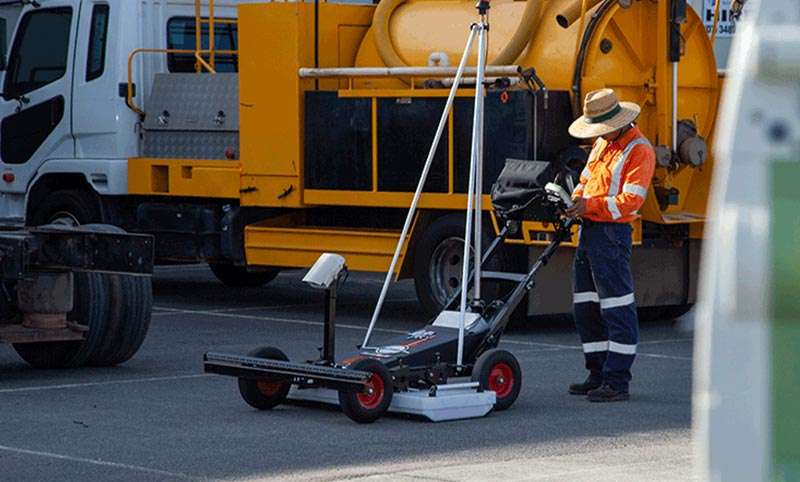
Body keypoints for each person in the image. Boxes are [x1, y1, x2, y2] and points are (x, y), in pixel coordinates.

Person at [563, 88, 656, 402]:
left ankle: (617, 381)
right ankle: (598, 373)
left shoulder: (640, 150)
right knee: (586, 308)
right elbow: (586, 180)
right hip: (591, 232)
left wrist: (587, 206)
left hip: (612, 236)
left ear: (619, 122)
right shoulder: (603, 143)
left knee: (617, 308)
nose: (598, 134)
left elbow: (630, 202)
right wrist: (576, 200)